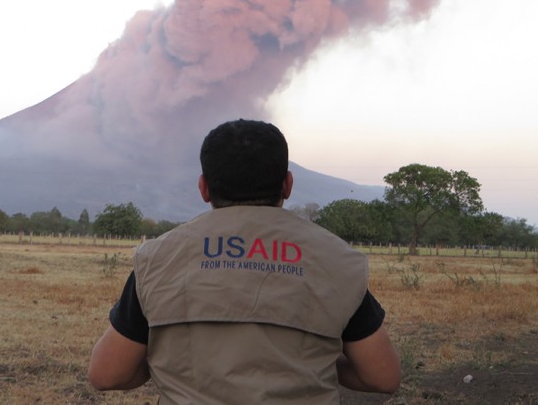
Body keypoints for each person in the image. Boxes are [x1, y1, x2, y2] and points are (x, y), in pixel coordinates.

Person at [88, 119, 401, 404]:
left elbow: (107, 374)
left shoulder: (158, 259)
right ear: (288, 185)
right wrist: (316, 361)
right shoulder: (337, 261)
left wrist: (170, 363)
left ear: (204, 188)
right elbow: (382, 376)